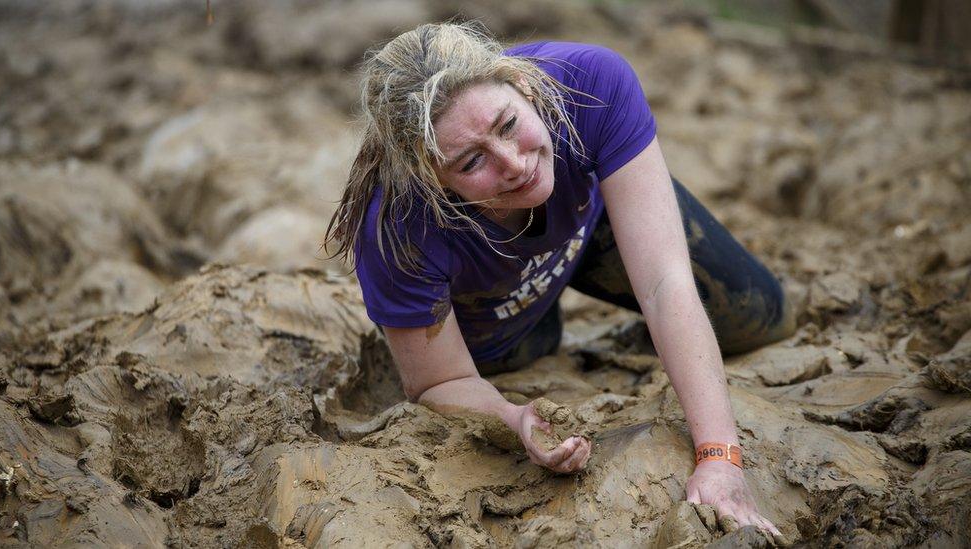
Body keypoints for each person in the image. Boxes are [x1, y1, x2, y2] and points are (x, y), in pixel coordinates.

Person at [325, 22, 795, 537]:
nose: (514, 164)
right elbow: (440, 382)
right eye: (471, 161)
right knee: (527, 354)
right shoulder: (398, 225)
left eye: (508, 125)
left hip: (591, 225)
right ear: (432, 177)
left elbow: (664, 281)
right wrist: (512, 419)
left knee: (761, 317)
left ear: (524, 86)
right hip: (490, 294)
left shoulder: (590, 82)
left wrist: (719, 455)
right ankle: (535, 317)